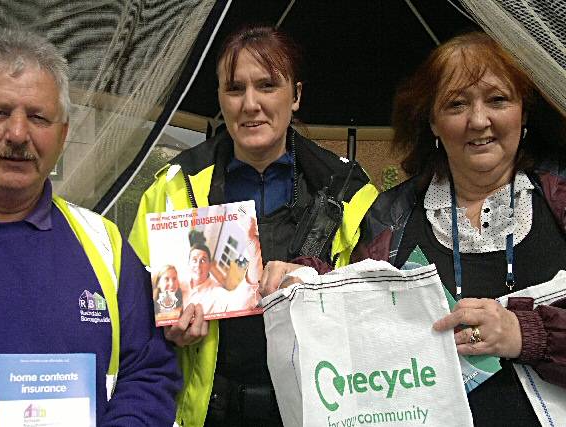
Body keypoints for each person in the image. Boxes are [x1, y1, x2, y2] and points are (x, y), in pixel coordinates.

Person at [0, 29, 181, 425]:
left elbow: (149, 373)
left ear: (62, 136)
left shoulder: (105, 247)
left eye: (39, 117)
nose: (17, 134)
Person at [129, 25, 377, 427]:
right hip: (210, 411)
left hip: (319, 407)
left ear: (295, 96)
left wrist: (320, 283)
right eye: (234, 89)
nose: (250, 104)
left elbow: (377, 311)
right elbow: (132, 311)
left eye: (266, 85)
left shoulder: (349, 193)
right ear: (221, 100)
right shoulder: (173, 188)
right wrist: (165, 330)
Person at [354, 32, 566, 426]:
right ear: (432, 122)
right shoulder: (388, 219)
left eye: (498, 99)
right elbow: (357, 336)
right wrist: (304, 276)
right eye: (456, 104)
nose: (479, 120)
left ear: (524, 113)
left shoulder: (561, 203)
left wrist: (526, 334)